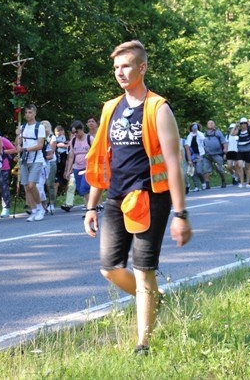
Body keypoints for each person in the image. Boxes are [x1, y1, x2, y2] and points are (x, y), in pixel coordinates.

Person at [84, 40, 192, 355]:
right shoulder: (110, 108)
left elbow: (174, 164)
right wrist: (91, 206)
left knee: (144, 271)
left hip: (150, 198)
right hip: (116, 199)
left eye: (126, 66)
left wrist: (181, 215)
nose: (120, 72)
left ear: (142, 68)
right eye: (116, 67)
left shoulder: (158, 108)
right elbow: (101, 159)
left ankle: (143, 343)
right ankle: (154, 299)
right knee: (109, 268)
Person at [16, 103, 46, 222]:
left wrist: (25, 149)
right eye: (26, 113)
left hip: (36, 159)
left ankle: (40, 208)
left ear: (34, 113)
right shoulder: (23, 127)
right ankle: (33, 210)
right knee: (26, 186)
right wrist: (17, 136)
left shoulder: (40, 127)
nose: (28, 115)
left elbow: (40, 145)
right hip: (25, 159)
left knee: (32, 185)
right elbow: (18, 144)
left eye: (30, 112)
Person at [62, 120, 92, 212]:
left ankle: (89, 208)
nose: (75, 134)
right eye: (73, 132)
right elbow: (71, 156)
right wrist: (68, 170)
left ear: (81, 129)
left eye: (76, 132)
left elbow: (95, 152)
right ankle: (89, 205)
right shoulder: (73, 141)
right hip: (77, 168)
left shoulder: (89, 139)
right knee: (80, 189)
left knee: (85, 187)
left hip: (87, 168)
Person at [202, 120, 228, 188]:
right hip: (207, 154)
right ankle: (207, 184)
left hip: (217, 153)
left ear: (214, 125)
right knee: (205, 169)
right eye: (209, 123)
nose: (210, 124)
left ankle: (223, 181)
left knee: (220, 168)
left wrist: (225, 150)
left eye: (212, 123)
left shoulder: (218, 132)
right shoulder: (204, 134)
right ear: (207, 125)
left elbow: (224, 142)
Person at [234, 117, 250, 188]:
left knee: (248, 167)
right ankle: (241, 182)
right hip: (240, 151)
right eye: (241, 123)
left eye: (244, 123)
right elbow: (232, 134)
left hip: (249, 151)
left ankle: (248, 182)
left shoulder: (249, 130)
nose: (243, 125)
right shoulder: (239, 131)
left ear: (246, 124)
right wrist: (235, 125)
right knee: (239, 165)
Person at [185, 123, 205, 191]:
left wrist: (197, 131)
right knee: (193, 172)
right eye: (193, 127)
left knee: (199, 171)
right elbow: (187, 145)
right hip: (192, 155)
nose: (194, 128)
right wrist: (189, 158)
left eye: (195, 127)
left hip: (199, 154)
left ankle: (203, 182)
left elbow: (203, 138)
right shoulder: (189, 136)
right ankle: (196, 186)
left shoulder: (200, 134)